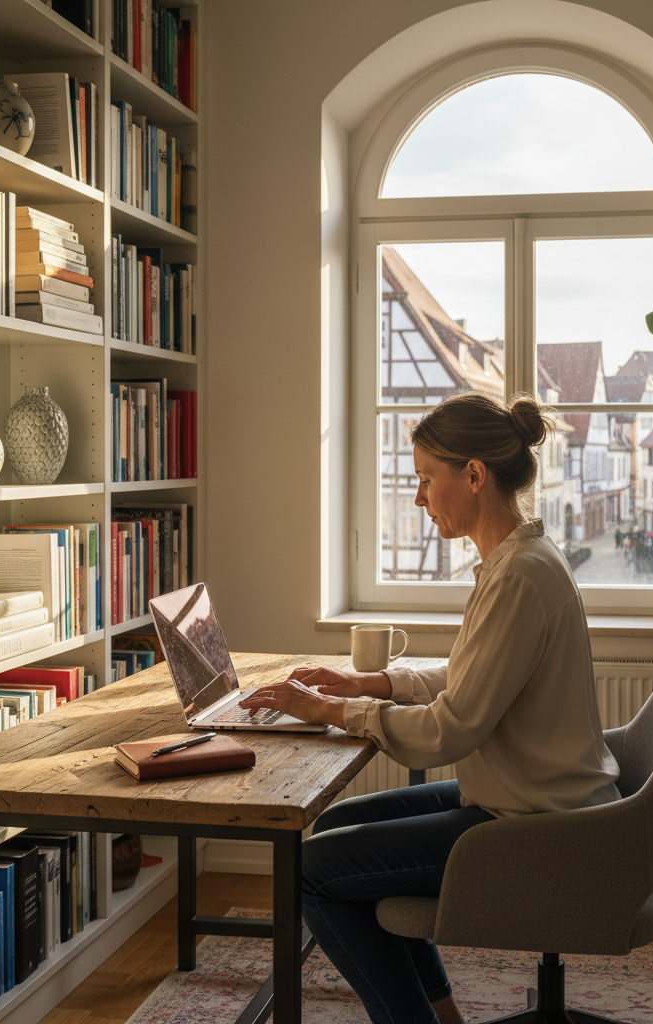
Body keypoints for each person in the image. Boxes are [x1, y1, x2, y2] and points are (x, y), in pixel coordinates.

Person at [239, 392, 620, 1024]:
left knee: (309, 872)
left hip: (538, 826)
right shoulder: (515, 563)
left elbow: (451, 729)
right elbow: (470, 679)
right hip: (527, 800)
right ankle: (444, 1017)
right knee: (331, 832)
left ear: (473, 475)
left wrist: (327, 712)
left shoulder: (519, 577)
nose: (418, 497)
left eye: (424, 478)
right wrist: (371, 685)